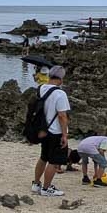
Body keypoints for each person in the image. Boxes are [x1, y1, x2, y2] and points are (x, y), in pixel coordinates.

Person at [31, 66, 71, 198]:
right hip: (55, 131)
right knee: (53, 161)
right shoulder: (60, 94)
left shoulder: (41, 89)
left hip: (43, 129)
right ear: (60, 78)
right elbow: (62, 116)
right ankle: (46, 188)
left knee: (43, 157)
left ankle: (36, 183)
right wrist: (65, 134)